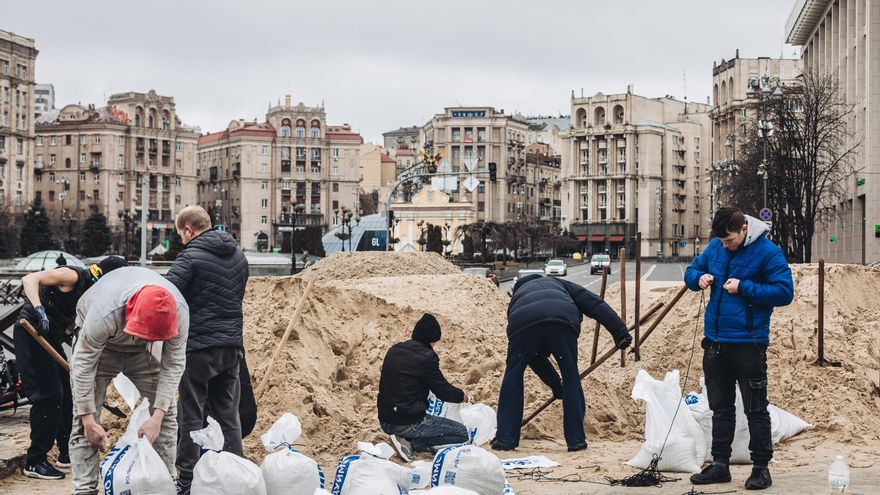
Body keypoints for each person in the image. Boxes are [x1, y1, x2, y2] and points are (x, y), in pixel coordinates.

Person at [684, 207, 793, 490]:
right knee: (720, 409)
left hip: (749, 344)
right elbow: (692, 270)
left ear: (744, 229)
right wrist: (698, 279)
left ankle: (761, 468)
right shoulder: (716, 248)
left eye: (729, 240)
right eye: (721, 241)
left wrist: (744, 287)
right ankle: (720, 464)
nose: (725, 245)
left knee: (755, 409)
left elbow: (784, 292)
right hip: (716, 343)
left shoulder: (769, 253)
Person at [69, 266, 189, 494]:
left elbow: (173, 365)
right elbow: (83, 364)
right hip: (101, 350)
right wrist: (87, 419)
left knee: (167, 412)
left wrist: (157, 417)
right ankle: (84, 489)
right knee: (84, 418)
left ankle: (163, 484)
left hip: (141, 353)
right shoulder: (104, 312)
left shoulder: (180, 311)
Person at [12, 256, 127, 480]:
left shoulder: (95, 292)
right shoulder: (74, 275)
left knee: (67, 391)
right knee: (49, 395)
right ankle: (35, 461)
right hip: (31, 331)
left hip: (49, 337)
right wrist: (39, 309)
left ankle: (65, 452)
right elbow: (30, 278)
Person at [492, 274, 631, 452]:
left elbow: (533, 357)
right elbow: (595, 304)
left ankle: (505, 439)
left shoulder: (517, 298)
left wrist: (556, 387)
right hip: (562, 320)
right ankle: (576, 441)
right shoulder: (559, 283)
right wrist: (620, 333)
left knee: (513, 375)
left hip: (523, 324)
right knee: (570, 375)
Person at [167, 206, 248, 494]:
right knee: (228, 411)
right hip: (231, 347)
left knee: (191, 412)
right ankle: (236, 471)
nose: (181, 240)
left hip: (198, 348)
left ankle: (187, 478)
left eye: (180, 234)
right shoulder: (239, 256)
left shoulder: (189, 257)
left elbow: (167, 296)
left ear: (188, 229)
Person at [377, 313, 469, 461]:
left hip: (385, 418)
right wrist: (461, 396)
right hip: (406, 422)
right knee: (462, 433)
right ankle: (414, 443)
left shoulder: (394, 349)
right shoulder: (427, 357)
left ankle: (405, 438)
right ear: (432, 340)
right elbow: (442, 391)